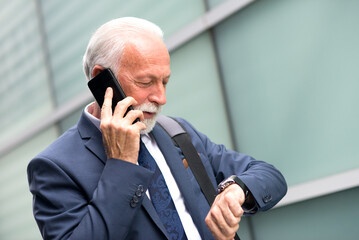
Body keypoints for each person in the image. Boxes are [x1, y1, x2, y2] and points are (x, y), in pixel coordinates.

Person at [27, 17, 287, 240]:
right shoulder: (54, 167)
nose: (161, 97)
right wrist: (122, 165)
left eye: (164, 81)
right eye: (146, 81)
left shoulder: (176, 131)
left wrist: (236, 189)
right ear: (101, 79)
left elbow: (269, 175)